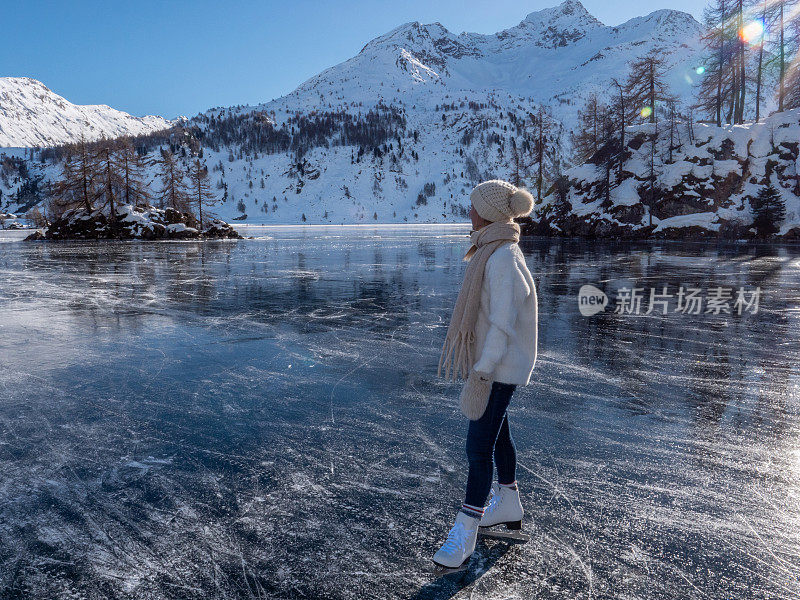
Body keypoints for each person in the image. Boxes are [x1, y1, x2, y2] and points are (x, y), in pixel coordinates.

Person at [432, 179, 538, 571]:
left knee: (478, 447)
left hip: (498, 365)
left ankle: (466, 530)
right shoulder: (493, 250)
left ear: (489, 213)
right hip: (497, 363)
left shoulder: (502, 259)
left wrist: (481, 372)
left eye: (474, 207)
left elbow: (502, 325)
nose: (469, 213)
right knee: (497, 431)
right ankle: (508, 501)